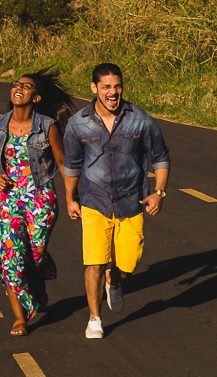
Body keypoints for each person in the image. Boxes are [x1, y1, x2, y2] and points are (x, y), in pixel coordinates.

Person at [62, 63, 170, 339]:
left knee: (129, 263)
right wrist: (70, 199)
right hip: (94, 201)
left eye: (117, 86)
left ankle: (115, 279)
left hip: (131, 201)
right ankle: (94, 318)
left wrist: (158, 192)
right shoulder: (78, 123)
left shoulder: (140, 119)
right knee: (94, 262)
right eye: (107, 87)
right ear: (94, 88)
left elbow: (160, 157)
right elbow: (72, 165)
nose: (113, 92)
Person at [0, 70, 73, 335]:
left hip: (40, 198)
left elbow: (62, 162)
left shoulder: (47, 126)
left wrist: (71, 197)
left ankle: (38, 283)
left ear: (36, 97)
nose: (19, 88)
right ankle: (20, 317)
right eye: (16, 84)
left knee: (33, 255)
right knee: (12, 257)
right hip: (4, 198)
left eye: (27, 86)